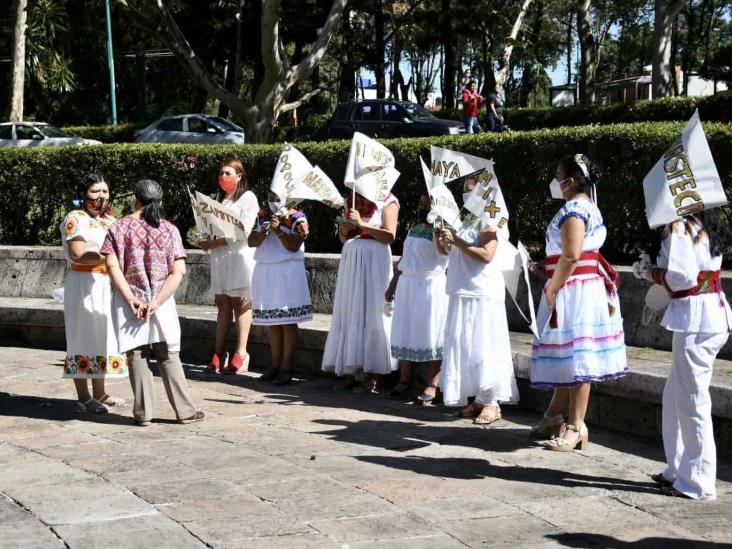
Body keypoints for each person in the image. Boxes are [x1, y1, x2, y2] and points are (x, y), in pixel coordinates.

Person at [530, 154, 627, 451]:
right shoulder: (589, 207)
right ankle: (554, 415)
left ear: (570, 181)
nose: (555, 181)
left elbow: (572, 255)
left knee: (578, 355)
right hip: (583, 285)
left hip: (574, 290)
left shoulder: (574, 209)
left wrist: (553, 287)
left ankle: (576, 425)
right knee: (569, 354)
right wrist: (544, 268)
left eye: (558, 175)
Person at [638, 211, 732, 500]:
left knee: (692, 400)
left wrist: (649, 272)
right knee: (675, 395)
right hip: (707, 316)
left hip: (697, 321)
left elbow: (681, 278)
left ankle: (699, 482)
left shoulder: (678, 226)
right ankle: (678, 469)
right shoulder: (703, 223)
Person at [102, 179, 204, 427]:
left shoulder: (118, 228)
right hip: (162, 300)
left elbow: (112, 265)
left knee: (137, 354)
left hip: (129, 300)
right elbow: (178, 271)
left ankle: (143, 413)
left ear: (135, 199)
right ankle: (185, 411)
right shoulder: (170, 230)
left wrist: (130, 298)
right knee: (168, 354)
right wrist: (157, 301)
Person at [435, 177, 517, 423]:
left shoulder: (490, 218)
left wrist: (456, 241)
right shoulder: (465, 219)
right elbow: (448, 252)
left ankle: (492, 402)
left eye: (469, 190)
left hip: (482, 291)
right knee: (466, 345)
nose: (465, 194)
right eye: (463, 190)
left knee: (484, 346)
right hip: (461, 288)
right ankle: (479, 399)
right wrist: (442, 239)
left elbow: (486, 254)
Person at [60, 174, 127, 413]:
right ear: (83, 194)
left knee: (104, 334)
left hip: (106, 283)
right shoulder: (75, 219)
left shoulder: (109, 220)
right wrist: (108, 258)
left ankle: (100, 391)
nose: (101, 196)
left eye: (105, 192)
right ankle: (84, 396)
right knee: (83, 335)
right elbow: (78, 253)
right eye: (95, 191)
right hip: (84, 283)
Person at [322, 192, 400, 392]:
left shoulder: (387, 200)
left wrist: (362, 224)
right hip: (352, 259)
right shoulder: (351, 199)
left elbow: (390, 235)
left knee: (373, 310)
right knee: (352, 310)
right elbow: (344, 236)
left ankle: (374, 373)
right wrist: (345, 230)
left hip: (375, 258)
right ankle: (355, 369)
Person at [386, 193, 448, 403]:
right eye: (420, 203)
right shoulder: (414, 228)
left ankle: (432, 384)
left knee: (430, 332)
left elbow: (446, 255)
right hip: (408, 285)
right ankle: (404, 379)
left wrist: (441, 234)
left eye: (426, 204)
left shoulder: (443, 230)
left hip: (430, 285)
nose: (422, 207)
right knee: (405, 330)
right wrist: (393, 283)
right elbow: (405, 259)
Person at [199, 159, 258, 375]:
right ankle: (218, 352)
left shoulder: (248, 198)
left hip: (238, 256)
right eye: (221, 173)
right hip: (221, 257)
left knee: (240, 302)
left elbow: (244, 231)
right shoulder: (220, 200)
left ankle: (240, 353)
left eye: (228, 172)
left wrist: (216, 242)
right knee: (223, 302)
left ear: (239, 176)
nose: (223, 176)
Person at [248, 191, 312, 385]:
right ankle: (274, 365)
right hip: (267, 270)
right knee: (272, 322)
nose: (273, 202)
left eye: (278, 198)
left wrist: (279, 230)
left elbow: (295, 245)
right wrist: (264, 232)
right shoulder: (262, 216)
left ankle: (286, 367)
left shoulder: (297, 218)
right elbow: (251, 241)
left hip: (287, 271)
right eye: (270, 197)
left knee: (287, 320)